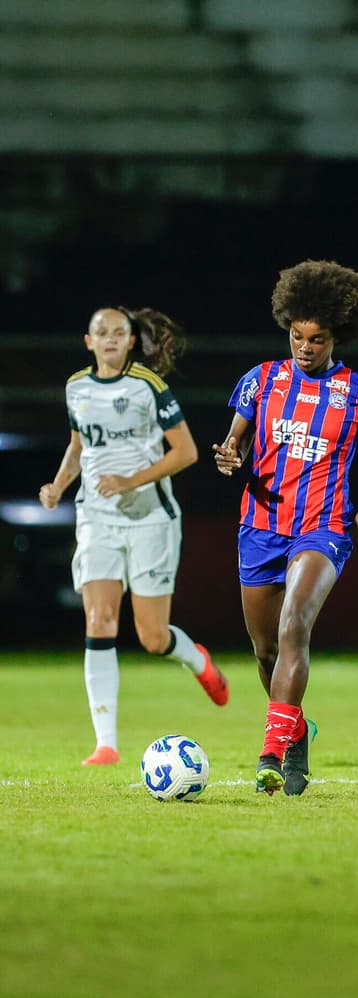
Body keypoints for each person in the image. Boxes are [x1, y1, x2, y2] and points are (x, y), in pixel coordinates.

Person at [213, 259, 358, 797]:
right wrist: (230, 456)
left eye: (316, 339)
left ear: (337, 336)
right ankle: (295, 734)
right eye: (297, 336)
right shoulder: (260, 381)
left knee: (295, 622)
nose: (304, 346)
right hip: (260, 528)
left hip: (323, 529)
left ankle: (271, 753)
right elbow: (237, 445)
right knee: (266, 653)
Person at [39, 306, 229, 766]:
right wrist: (59, 485)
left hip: (150, 519)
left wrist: (132, 480)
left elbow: (185, 452)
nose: (108, 339)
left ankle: (197, 660)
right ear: (88, 341)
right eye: (100, 332)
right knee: (99, 621)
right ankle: (106, 744)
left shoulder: (148, 385)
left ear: (130, 341)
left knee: (151, 637)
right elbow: (78, 445)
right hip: (96, 518)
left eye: (118, 332)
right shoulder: (76, 387)